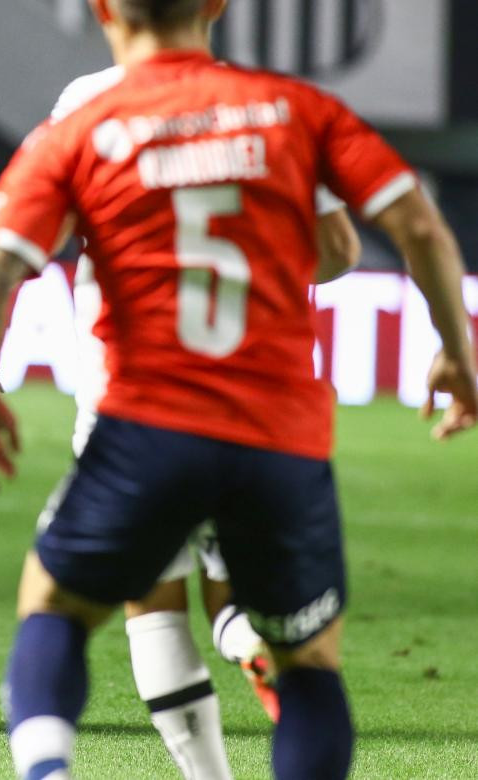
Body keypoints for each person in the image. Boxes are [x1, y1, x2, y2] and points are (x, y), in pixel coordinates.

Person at [0, 1, 477, 778]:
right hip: (279, 427)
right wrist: (456, 353)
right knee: (309, 659)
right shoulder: (293, 107)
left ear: (102, 11)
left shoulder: (88, 113)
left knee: (74, 605)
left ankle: (57, 769)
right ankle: (245, 643)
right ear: (219, 8)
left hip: (140, 416)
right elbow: (392, 236)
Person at [66, 186, 359, 779]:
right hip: (243, 404)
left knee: (145, 604)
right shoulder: (279, 121)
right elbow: (342, 248)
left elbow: (19, 245)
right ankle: (245, 639)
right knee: (259, 601)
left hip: (126, 409)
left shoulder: (90, 116)